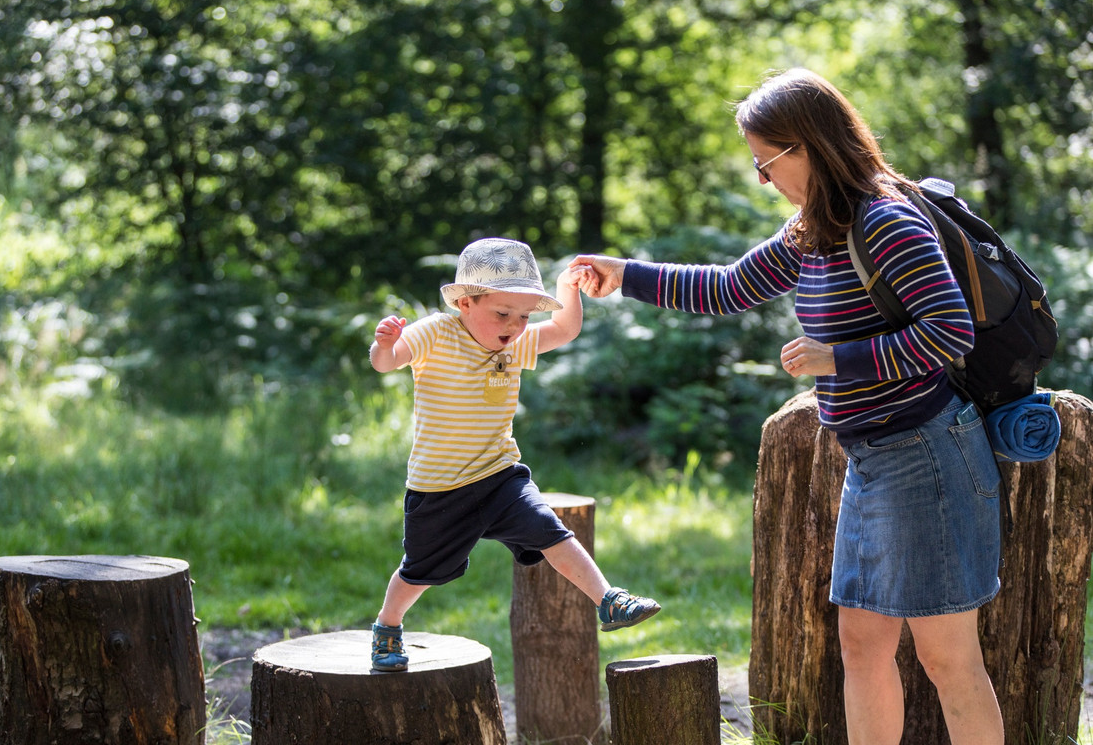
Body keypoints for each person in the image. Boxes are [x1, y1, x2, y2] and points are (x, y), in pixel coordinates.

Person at [570, 68, 1004, 744]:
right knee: (860, 646)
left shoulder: (884, 222)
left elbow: (948, 332)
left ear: (806, 147)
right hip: (871, 458)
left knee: (947, 658)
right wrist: (623, 275)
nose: (762, 180)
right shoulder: (812, 230)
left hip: (926, 452)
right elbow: (725, 288)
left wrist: (837, 359)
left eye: (765, 164)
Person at [368, 236, 660, 672]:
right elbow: (386, 363)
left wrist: (568, 288)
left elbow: (564, 330)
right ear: (465, 303)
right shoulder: (436, 333)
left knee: (550, 531)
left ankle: (608, 600)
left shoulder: (514, 344)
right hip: (440, 486)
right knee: (422, 570)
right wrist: (386, 343)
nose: (515, 325)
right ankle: (388, 626)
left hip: (500, 474)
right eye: (502, 313)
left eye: (523, 316)